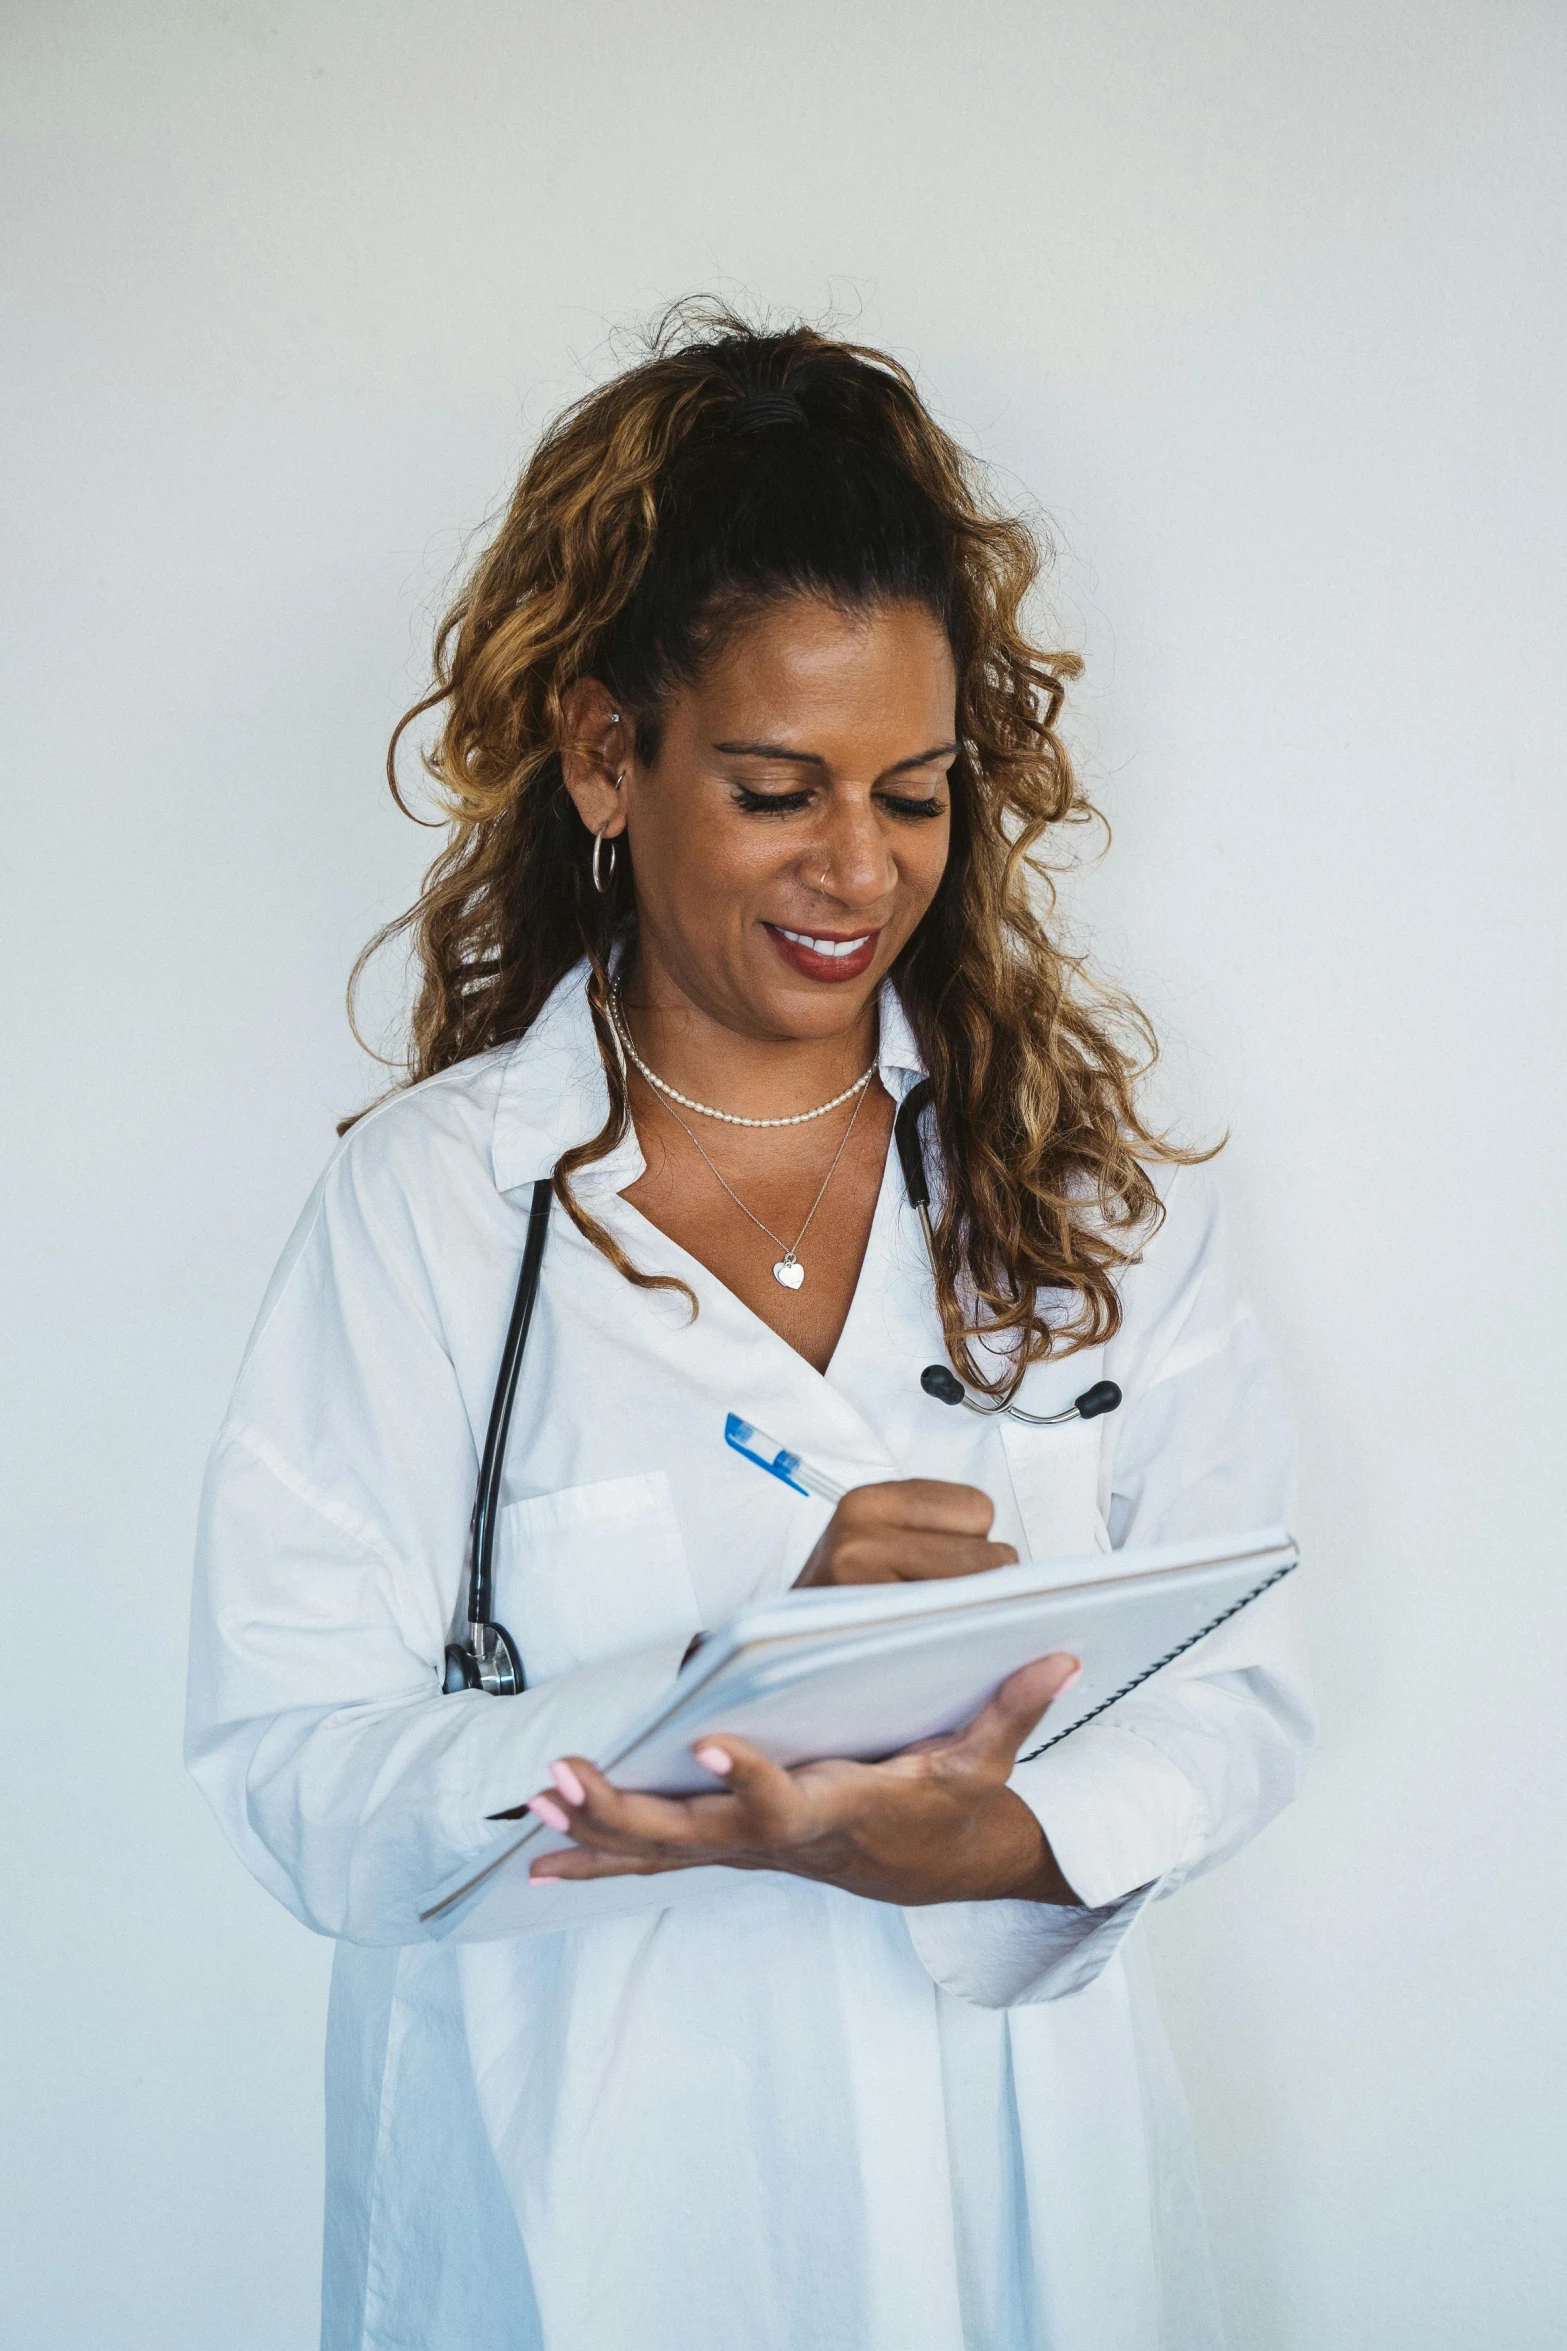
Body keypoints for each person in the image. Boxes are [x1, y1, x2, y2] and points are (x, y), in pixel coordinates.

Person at [186, 306, 1312, 2351]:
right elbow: (291, 1766)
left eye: (916, 791)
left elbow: (1248, 1676)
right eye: (778, 786)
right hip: (575, 2232)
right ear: (609, 754)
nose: (857, 868)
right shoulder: (434, 1213)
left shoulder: (1079, 1198)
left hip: (1010, 2223)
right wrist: (691, 1695)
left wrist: (1012, 1832)